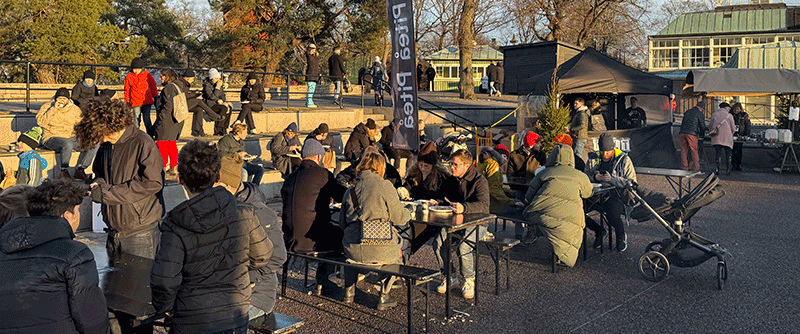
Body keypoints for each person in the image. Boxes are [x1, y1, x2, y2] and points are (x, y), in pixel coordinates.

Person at [151, 140, 271, 334]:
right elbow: (263, 255)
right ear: (219, 176)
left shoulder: (174, 224)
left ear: (180, 179)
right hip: (234, 314)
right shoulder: (243, 213)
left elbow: (165, 280)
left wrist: (166, 309)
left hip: (193, 318)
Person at [0, 180, 109, 334]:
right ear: (67, 216)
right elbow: (92, 321)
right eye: (77, 210)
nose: (79, 214)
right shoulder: (75, 254)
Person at [76, 99, 164, 260]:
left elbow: (153, 183)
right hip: (113, 230)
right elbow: (99, 172)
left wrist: (107, 194)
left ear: (119, 123)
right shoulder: (107, 144)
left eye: (105, 134)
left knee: (139, 282)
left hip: (140, 232)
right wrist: (99, 185)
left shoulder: (143, 143)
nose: (103, 139)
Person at [215, 155, 287, 320]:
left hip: (255, 294)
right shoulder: (221, 207)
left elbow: (278, 256)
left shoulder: (259, 212)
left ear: (226, 186)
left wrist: (245, 279)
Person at [340, 152, 411, 310]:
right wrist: (409, 213)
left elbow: (342, 223)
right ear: (381, 167)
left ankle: (349, 292)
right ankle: (383, 295)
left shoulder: (350, 189)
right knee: (397, 247)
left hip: (352, 249)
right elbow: (399, 218)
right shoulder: (386, 186)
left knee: (350, 250)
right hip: (380, 248)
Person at [281, 139, 347, 296]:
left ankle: (322, 280)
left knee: (329, 230)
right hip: (311, 240)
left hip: (289, 238)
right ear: (318, 157)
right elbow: (342, 195)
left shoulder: (290, 177)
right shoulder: (322, 174)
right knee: (343, 236)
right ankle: (324, 280)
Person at [523, 143, 593, 267]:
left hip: (543, 214)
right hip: (572, 216)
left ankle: (533, 234)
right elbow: (588, 193)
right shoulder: (579, 176)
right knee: (571, 225)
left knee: (536, 217)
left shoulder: (544, 173)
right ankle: (565, 257)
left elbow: (528, 197)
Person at [433, 149, 489, 300]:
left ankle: (469, 280)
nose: (452, 167)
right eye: (451, 164)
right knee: (438, 243)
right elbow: (446, 199)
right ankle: (450, 276)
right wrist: (437, 202)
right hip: (456, 221)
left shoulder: (479, 180)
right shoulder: (452, 179)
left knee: (464, 247)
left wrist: (465, 207)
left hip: (478, 222)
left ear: (466, 165)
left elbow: (484, 205)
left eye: (455, 165)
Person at [585, 133, 637, 252]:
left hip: (616, 194)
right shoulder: (593, 157)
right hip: (595, 194)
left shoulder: (624, 159)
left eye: (608, 152)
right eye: (602, 151)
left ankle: (621, 235)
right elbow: (584, 176)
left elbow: (632, 182)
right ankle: (599, 231)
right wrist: (594, 177)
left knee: (612, 214)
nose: (605, 155)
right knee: (578, 210)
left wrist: (612, 180)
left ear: (613, 149)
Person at [36, 88, 97, 181]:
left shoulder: (75, 109)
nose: (61, 101)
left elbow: (81, 124)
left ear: (68, 99)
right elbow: (40, 122)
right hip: (51, 137)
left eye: (64, 98)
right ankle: (63, 171)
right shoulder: (47, 107)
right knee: (67, 144)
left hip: (70, 136)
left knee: (94, 143)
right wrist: (54, 109)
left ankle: (81, 169)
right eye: (59, 98)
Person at [478, 146, 526, 240]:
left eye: (507, 158)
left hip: (485, 201)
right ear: (497, 154)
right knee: (520, 209)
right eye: (504, 156)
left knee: (517, 198)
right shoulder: (493, 165)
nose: (506, 160)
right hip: (491, 203)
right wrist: (512, 202)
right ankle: (519, 238)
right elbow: (494, 190)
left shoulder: (485, 163)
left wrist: (512, 193)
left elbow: (496, 187)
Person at [153, 68, 186, 179]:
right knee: (171, 144)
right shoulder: (177, 87)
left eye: (162, 76)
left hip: (167, 121)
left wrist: (161, 118)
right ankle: (173, 167)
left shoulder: (169, 88)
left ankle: (162, 168)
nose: (160, 78)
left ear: (168, 77)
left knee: (162, 145)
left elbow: (168, 105)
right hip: (175, 120)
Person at [182, 69, 222, 137]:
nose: (193, 80)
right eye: (192, 79)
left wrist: (194, 94)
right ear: (188, 78)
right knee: (199, 101)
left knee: (199, 109)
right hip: (181, 104)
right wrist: (194, 94)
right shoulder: (182, 84)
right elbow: (183, 96)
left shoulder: (185, 84)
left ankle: (198, 131)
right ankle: (214, 116)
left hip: (184, 102)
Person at [125, 57, 158, 132]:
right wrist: (127, 101)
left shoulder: (147, 74)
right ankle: (136, 135)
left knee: (147, 119)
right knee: (136, 120)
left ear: (141, 68)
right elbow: (127, 89)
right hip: (135, 101)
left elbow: (153, 85)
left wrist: (155, 96)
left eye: (138, 69)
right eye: (134, 69)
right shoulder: (129, 76)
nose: (136, 71)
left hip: (146, 100)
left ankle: (150, 134)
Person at [203, 68, 232, 136]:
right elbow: (212, 97)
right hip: (210, 105)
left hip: (218, 104)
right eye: (217, 78)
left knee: (229, 107)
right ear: (213, 78)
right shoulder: (207, 86)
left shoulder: (219, 85)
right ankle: (218, 129)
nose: (218, 79)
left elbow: (223, 96)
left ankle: (224, 128)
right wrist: (217, 88)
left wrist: (222, 101)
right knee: (223, 108)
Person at [679, 102, 706, 172]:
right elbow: (702, 126)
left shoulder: (687, 112)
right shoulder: (700, 114)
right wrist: (703, 133)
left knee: (683, 151)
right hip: (692, 133)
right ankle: (696, 167)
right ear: (701, 109)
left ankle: (684, 167)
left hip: (682, 132)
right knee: (694, 151)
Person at [710, 102, 735, 175]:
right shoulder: (729, 116)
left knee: (718, 154)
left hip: (717, 137)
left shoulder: (714, 114)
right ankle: (728, 170)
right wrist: (731, 134)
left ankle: (718, 170)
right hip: (727, 138)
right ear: (726, 108)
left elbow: (711, 126)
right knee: (728, 154)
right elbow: (733, 128)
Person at [730, 102, 751, 171]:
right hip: (733, 134)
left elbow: (747, 125)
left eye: (738, 109)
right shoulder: (731, 115)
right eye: (735, 109)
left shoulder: (743, 116)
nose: (736, 110)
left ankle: (738, 164)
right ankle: (733, 164)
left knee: (738, 150)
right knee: (733, 150)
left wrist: (746, 134)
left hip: (740, 134)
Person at [305, 43, 320, 108]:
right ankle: (309, 102)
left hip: (315, 75)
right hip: (310, 75)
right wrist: (310, 47)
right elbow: (307, 53)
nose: (313, 50)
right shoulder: (309, 56)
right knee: (311, 89)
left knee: (312, 89)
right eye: (312, 49)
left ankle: (308, 102)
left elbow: (317, 67)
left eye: (314, 49)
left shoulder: (315, 58)